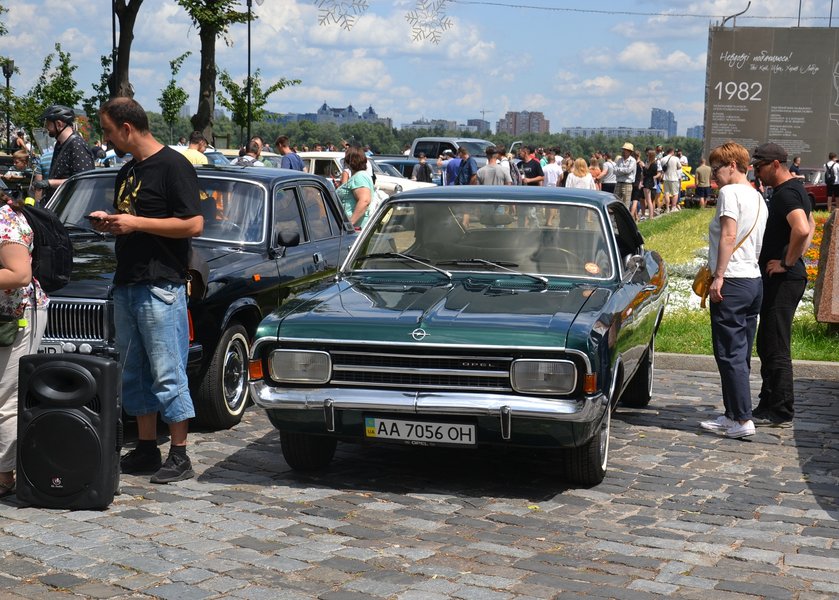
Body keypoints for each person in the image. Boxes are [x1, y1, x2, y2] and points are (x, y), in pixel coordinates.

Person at [90, 97, 204, 484]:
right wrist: (111, 223)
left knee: (167, 370)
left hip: (161, 285)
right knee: (133, 372)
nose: (106, 138)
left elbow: (194, 225)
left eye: (107, 130)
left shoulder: (174, 165)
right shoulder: (127, 171)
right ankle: (145, 447)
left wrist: (137, 224)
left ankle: (180, 454)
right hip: (128, 281)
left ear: (126, 128)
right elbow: (133, 219)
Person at [699, 142, 767, 439]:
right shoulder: (758, 196)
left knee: (728, 353)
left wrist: (719, 276)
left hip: (733, 281)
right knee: (740, 352)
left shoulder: (729, 193)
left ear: (733, 166)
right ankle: (734, 413)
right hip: (753, 280)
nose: (714, 175)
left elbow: (729, 234)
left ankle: (740, 419)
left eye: (717, 168)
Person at [752, 142, 815, 428]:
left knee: (776, 344)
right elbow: (810, 227)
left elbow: (802, 229)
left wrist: (786, 262)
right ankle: (768, 401)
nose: (757, 171)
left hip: (785, 278)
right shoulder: (793, 190)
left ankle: (781, 409)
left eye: (760, 166)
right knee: (767, 342)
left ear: (776, 164)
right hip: (786, 278)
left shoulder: (786, 194)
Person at [0, 195, 50, 498]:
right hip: (6, 316)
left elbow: (20, 274)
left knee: (6, 398)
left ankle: (4, 474)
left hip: (16, 316)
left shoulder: (5, 221)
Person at [31, 105, 95, 204]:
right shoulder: (59, 144)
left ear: (59, 124)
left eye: (48, 124)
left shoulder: (77, 145)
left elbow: (83, 181)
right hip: (60, 205)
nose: (46, 128)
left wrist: (49, 183)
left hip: (72, 209)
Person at [336, 145, 374, 228]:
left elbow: (365, 201)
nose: (344, 162)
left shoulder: (360, 176)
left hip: (356, 228)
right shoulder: (358, 176)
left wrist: (350, 223)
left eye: (346, 159)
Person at [614, 142, 637, 208]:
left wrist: (619, 170)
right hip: (618, 183)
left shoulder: (632, 160)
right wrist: (622, 170)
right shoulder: (619, 160)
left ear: (630, 152)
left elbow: (628, 170)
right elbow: (614, 170)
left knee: (626, 203)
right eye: (623, 150)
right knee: (616, 202)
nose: (623, 151)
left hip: (627, 184)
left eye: (625, 150)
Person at [660, 147, 682, 212]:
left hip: (665, 178)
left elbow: (662, 169)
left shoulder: (663, 159)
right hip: (674, 178)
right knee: (675, 193)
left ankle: (667, 208)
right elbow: (679, 167)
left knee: (666, 193)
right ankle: (673, 207)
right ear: (672, 152)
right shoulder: (676, 158)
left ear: (667, 152)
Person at [641, 148, 660, 220]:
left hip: (647, 182)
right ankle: (651, 216)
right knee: (649, 200)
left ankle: (651, 216)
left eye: (648, 154)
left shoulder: (652, 164)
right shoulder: (653, 164)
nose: (647, 155)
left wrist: (643, 167)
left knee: (648, 200)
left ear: (650, 155)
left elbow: (647, 173)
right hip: (651, 182)